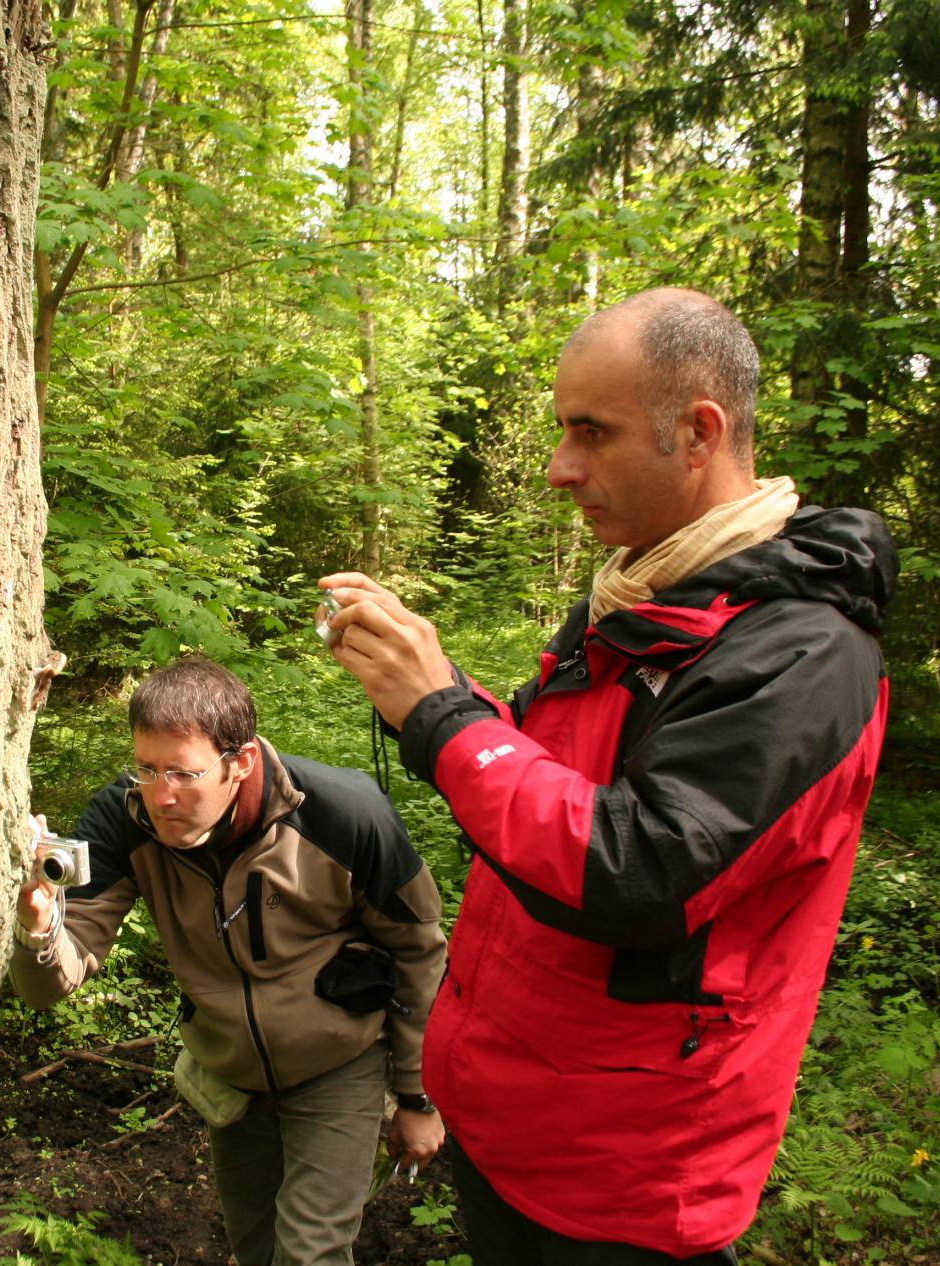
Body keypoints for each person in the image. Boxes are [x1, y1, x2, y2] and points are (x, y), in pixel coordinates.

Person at [319, 287, 897, 1264]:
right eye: (563, 431)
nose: (560, 467)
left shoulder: (803, 653)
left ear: (699, 432)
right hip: (510, 1119)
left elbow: (634, 870)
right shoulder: (641, 595)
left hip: (626, 1176)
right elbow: (543, 780)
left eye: (592, 432)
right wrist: (428, 686)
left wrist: (443, 716)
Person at [9, 654, 448, 1266]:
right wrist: (39, 927)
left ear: (238, 763)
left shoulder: (342, 814)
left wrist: (417, 1097)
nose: (161, 796)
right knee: (255, 1248)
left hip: (339, 1061)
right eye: (146, 769)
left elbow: (420, 953)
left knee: (310, 1253)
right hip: (231, 1075)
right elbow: (50, 982)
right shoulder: (124, 819)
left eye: (183, 774)